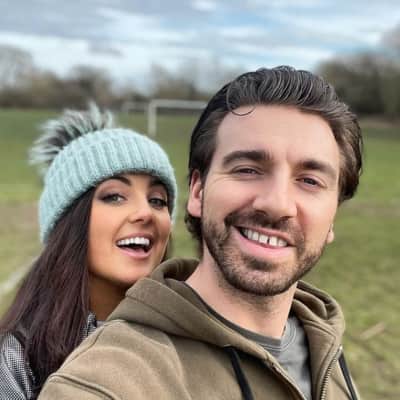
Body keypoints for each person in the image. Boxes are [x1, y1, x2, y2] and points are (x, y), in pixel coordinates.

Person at [39, 66, 362, 400]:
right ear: (197, 192)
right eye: (247, 170)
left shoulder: (322, 343)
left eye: (310, 181)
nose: (277, 204)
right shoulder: (106, 383)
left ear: (333, 217)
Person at [0, 104, 177, 400]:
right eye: (115, 196)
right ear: (69, 222)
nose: (145, 212)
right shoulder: (17, 360)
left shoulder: (190, 338)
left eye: (157, 200)